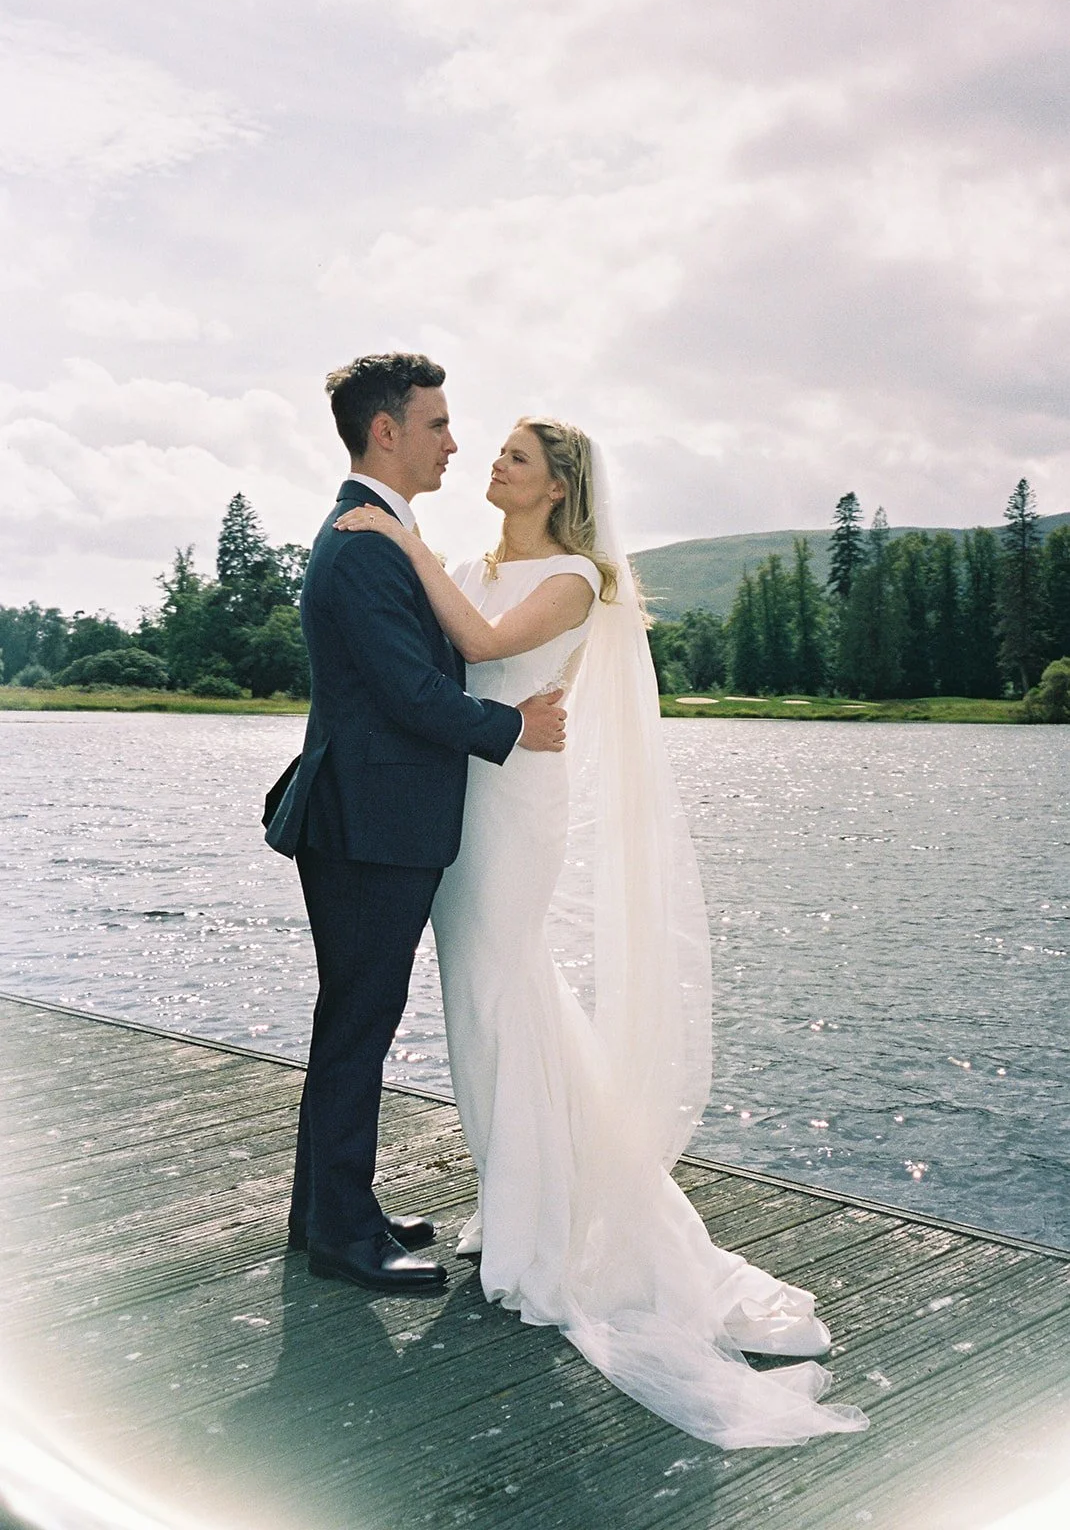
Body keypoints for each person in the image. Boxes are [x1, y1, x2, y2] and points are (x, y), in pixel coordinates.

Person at [335, 415, 869, 1448]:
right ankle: (524, 1201)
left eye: (515, 459)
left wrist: (398, 542)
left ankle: (543, 1234)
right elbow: (431, 666)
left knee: (503, 992)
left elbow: (484, 647)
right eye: (491, 452)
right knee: (486, 1007)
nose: (493, 464)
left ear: (557, 483)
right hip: (457, 794)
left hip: (514, 803)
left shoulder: (575, 576)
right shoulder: (467, 562)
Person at [263, 354, 567, 1296]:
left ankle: (326, 1211)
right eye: (436, 423)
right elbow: (411, 693)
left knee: (352, 1020)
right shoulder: (362, 544)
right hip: (368, 821)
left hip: (369, 816)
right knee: (359, 1023)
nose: (454, 440)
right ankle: (344, 1236)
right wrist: (516, 726)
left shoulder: (383, 534)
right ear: (385, 430)